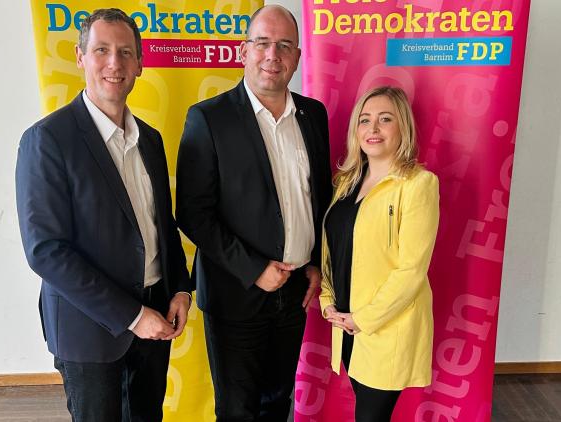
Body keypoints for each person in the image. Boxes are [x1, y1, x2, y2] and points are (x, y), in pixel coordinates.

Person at [16, 9, 192, 422]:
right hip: (89, 329)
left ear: (140, 64)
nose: (115, 63)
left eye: (126, 52)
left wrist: (181, 290)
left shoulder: (150, 139)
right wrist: (132, 316)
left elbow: (161, 226)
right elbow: (46, 251)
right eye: (102, 50)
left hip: (157, 315)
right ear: (80, 57)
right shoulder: (47, 140)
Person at [175, 5, 332, 421]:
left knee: (277, 403)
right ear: (244, 51)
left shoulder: (313, 115)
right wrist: (254, 269)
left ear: (297, 57)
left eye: (284, 45)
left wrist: (315, 263)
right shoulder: (209, 118)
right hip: (235, 292)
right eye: (262, 43)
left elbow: (319, 197)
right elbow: (192, 212)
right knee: (238, 410)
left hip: (295, 290)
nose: (272, 55)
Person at [319, 86, 440, 421]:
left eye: (385, 119)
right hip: (345, 324)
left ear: (403, 127)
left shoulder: (418, 184)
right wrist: (327, 299)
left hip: (385, 328)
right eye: (364, 120)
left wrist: (364, 319)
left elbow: (411, 270)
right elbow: (332, 250)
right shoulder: (345, 183)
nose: (372, 128)